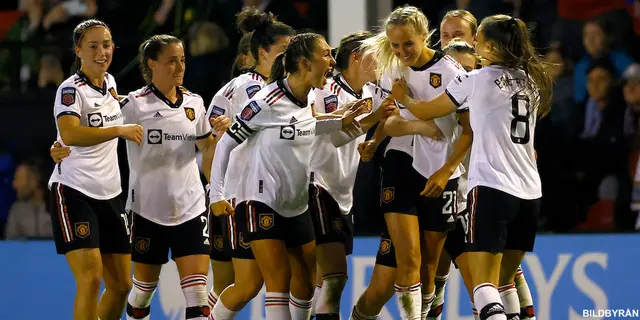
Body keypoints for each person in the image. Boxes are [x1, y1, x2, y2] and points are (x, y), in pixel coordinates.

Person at [389, 14, 552, 320]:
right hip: (530, 193)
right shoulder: (531, 82)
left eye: (477, 38)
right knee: (507, 282)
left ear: (489, 44)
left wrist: (404, 98)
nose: (473, 43)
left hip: (492, 188)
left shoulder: (474, 79)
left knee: (483, 284)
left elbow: (426, 109)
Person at [209, 32, 361, 320]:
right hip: (260, 200)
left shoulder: (307, 98)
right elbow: (227, 142)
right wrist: (216, 194)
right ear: (305, 63)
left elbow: (305, 126)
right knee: (277, 281)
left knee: (303, 282)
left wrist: (341, 121)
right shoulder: (265, 101)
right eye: (326, 54)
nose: (332, 61)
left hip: (296, 204)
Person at [356, 6, 468, 320]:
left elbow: (462, 129)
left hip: (439, 172)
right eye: (395, 45)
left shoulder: (449, 71)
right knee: (410, 259)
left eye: (408, 44)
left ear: (424, 36)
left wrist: (412, 126)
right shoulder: (392, 69)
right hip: (400, 164)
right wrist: (374, 142)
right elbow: (387, 116)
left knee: (429, 266)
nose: (401, 51)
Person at [48, 19, 141, 320]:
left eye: (106, 44)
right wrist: (119, 131)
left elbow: (114, 109)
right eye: (93, 46)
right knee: (91, 280)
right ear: (78, 50)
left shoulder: (110, 83)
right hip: (74, 191)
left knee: (122, 285)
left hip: (110, 193)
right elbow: (71, 134)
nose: (102, 52)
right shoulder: (70, 90)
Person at [206, 8, 295, 319]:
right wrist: (215, 192)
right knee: (249, 283)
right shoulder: (251, 87)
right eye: (283, 52)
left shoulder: (285, 88)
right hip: (243, 194)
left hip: (275, 194)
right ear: (260, 53)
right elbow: (216, 141)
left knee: (274, 279)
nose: (289, 58)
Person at [307, 31, 403, 319]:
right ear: (357, 57)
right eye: (378, 54)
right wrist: (374, 119)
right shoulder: (325, 90)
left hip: (342, 192)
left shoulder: (371, 91)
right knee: (335, 276)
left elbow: (389, 115)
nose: (383, 61)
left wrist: (375, 139)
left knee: (317, 281)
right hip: (317, 185)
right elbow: (336, 136)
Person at [5, 158, 52, 239]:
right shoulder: (17, 210)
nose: (14, 184)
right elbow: (10, 245)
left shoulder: (60, 207)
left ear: (34, 180)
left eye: (19, 179)